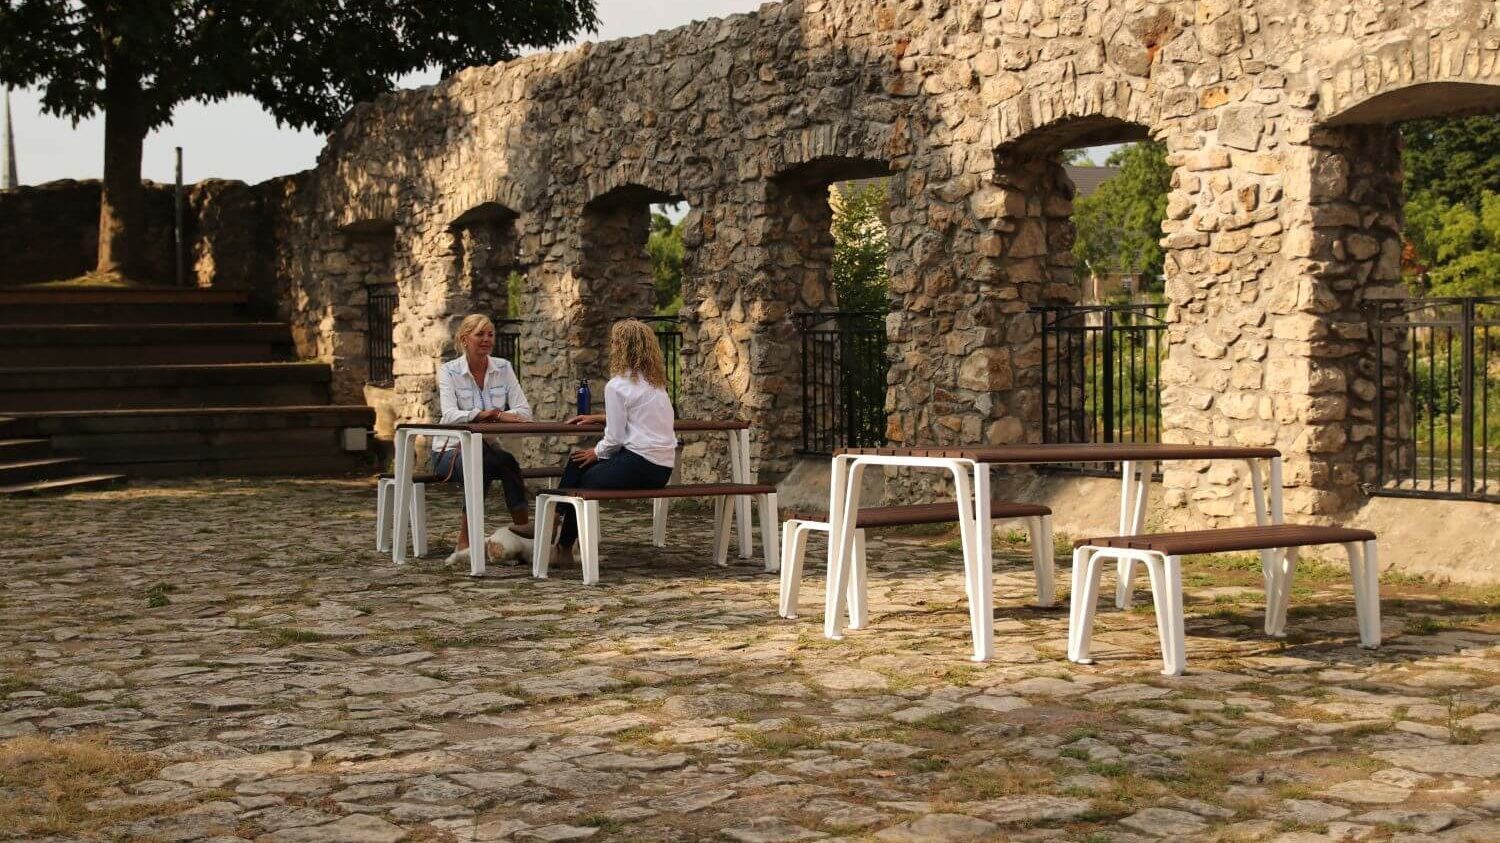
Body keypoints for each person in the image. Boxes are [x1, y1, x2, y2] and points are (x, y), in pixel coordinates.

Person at [550, 319, 678, 567]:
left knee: (582, 477)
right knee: (577, 463)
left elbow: (616, 438)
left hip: (639, 464)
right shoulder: (656, 384)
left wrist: (596, 452)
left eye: (614, 342)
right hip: (661, 470)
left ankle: (556, 530)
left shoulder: (617, 386)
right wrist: (601, 418)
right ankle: (557, 530)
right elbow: (641, 419)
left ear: (621, 347)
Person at [432, 314, 532, 558]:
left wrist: (496, 416)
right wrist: (488, 414)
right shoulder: (449, 371)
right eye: (480, 334)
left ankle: (526, 535)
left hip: (485, 450)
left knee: (507, 462)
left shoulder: (503, 368)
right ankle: (465, 540)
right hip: (449, 451)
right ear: (465, 339)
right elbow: (450, 414)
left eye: (490, 334)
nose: (487, 339)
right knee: (481, 462)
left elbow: (524, 412)